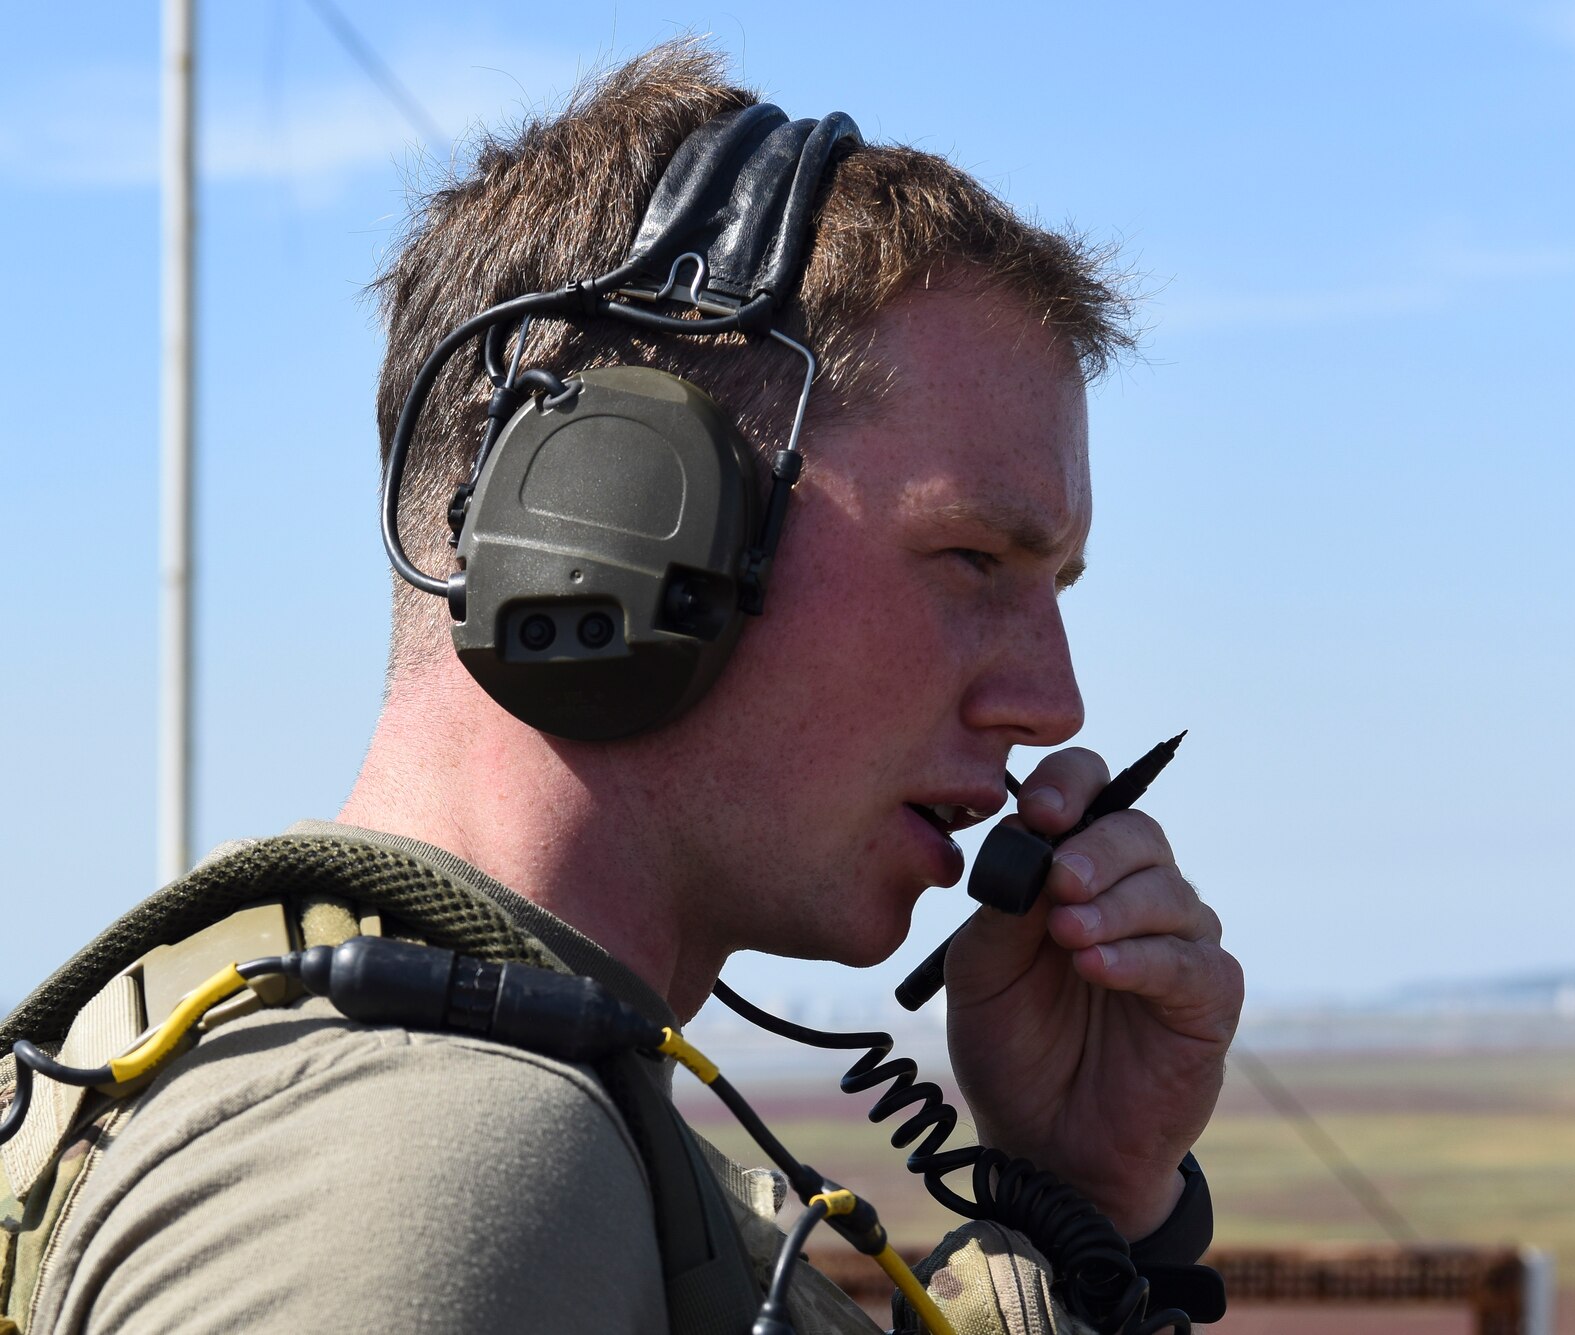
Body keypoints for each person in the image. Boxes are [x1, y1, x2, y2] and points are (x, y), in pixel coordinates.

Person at [1, 40, 1241, 1335]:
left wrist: (1079, 1198)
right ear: (609, 518)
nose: (1053, 704)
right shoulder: (439, 1169)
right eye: (976, 558)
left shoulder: (522, 1106)